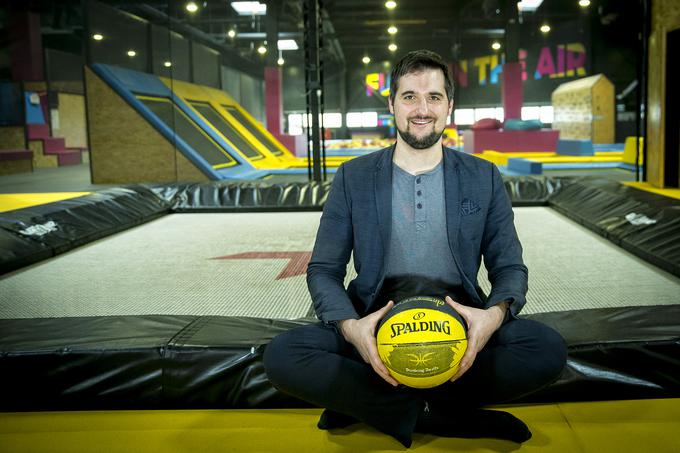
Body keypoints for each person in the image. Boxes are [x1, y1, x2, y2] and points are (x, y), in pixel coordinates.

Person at [264, 49, 567, 448]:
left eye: (434, 97)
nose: (422, 109)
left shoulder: (483, 177)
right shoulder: (353, 177)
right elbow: (323, 270)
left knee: (546, 349)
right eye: (410, 96)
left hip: (457, 325)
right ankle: (441, 414)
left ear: (449, 106)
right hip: (376, 324)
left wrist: (490, 318)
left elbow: (509, 267)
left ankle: (374, 406)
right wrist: (352, 329)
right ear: (392, 104)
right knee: (284, 356)